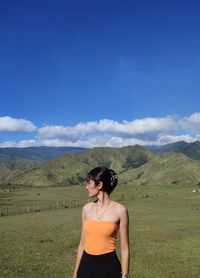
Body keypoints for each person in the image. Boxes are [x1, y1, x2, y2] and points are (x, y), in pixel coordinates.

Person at [72, 166, 130, 278]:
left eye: (89, 183)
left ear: (99, 185)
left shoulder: (120, 210)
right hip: (86, 266)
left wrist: (125, 275)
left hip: (109, 268)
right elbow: (82, 244)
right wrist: (75, 273)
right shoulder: (86, 209)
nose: (86, 187)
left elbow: (125, 248)